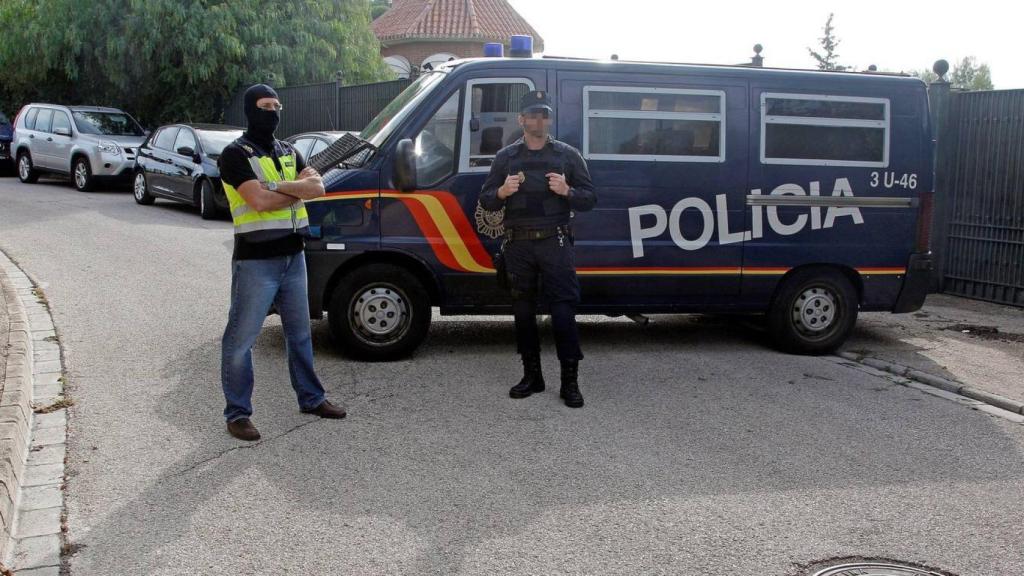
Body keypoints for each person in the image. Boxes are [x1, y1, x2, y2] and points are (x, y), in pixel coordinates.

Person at [218, 84, 346, 441]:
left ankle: (311, 398)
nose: (272, 112)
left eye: (277, 106)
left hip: (294, 256)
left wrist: (276, 186)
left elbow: (318, 189)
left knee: (300, 335)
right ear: (250, 110)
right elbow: (257, 201)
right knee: (241, 340)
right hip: (256, 260)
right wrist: (293, 189)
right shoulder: (234, 154)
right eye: (265, 106)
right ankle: (238, 414)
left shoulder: (289, 150)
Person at [479, 90, 597, 408]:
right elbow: (486, 198)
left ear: (549, 119)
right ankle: (532, 376)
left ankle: (569, 382)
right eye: (532, 114)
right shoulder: (506, 157)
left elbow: (590, 198)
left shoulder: (567, 155)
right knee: (522, 312)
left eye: (543, 114)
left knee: (562, 312)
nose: (538, 120)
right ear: (521, 120)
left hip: (554, 242)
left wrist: (568, 190)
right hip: (518, 244)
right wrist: (502, 191)